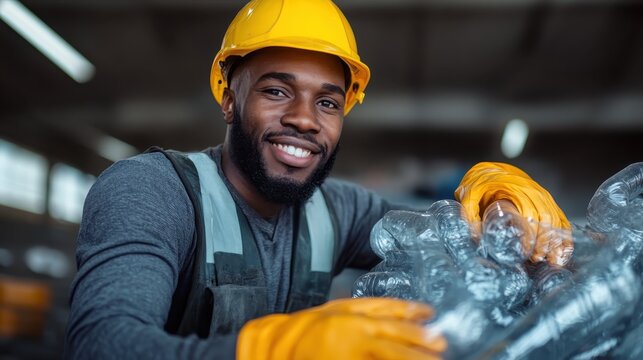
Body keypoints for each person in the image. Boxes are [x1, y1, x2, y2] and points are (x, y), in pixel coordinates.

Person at [64, 1, 570, 359]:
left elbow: (459, 243)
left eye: (328, 102)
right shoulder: (151, 191)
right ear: (229, 100)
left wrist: (495, 193)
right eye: (278, 92)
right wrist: (276, 350)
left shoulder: (341, 213)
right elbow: (101, 345)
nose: (306, 120)